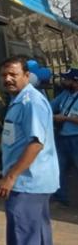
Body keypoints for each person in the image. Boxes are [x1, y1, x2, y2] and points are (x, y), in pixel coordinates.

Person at [0, 56, 59, 245]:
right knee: (36, 233)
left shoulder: (30, 102)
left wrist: (10, 177)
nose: (7, 79)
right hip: (29, 182)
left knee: (23, 235)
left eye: (13, 74)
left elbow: (36, 144)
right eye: (4, 75)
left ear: (27, 75)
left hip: (27, 183)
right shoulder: (19, 100)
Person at [50, 68, 78, 206]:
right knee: (59, 167)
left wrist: (65, 118)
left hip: (75, 138)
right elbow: (51, 106)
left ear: (75, 81)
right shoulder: (65, 94)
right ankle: (60, 197)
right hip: (62, 137)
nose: (63, 82)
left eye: (67, 79)